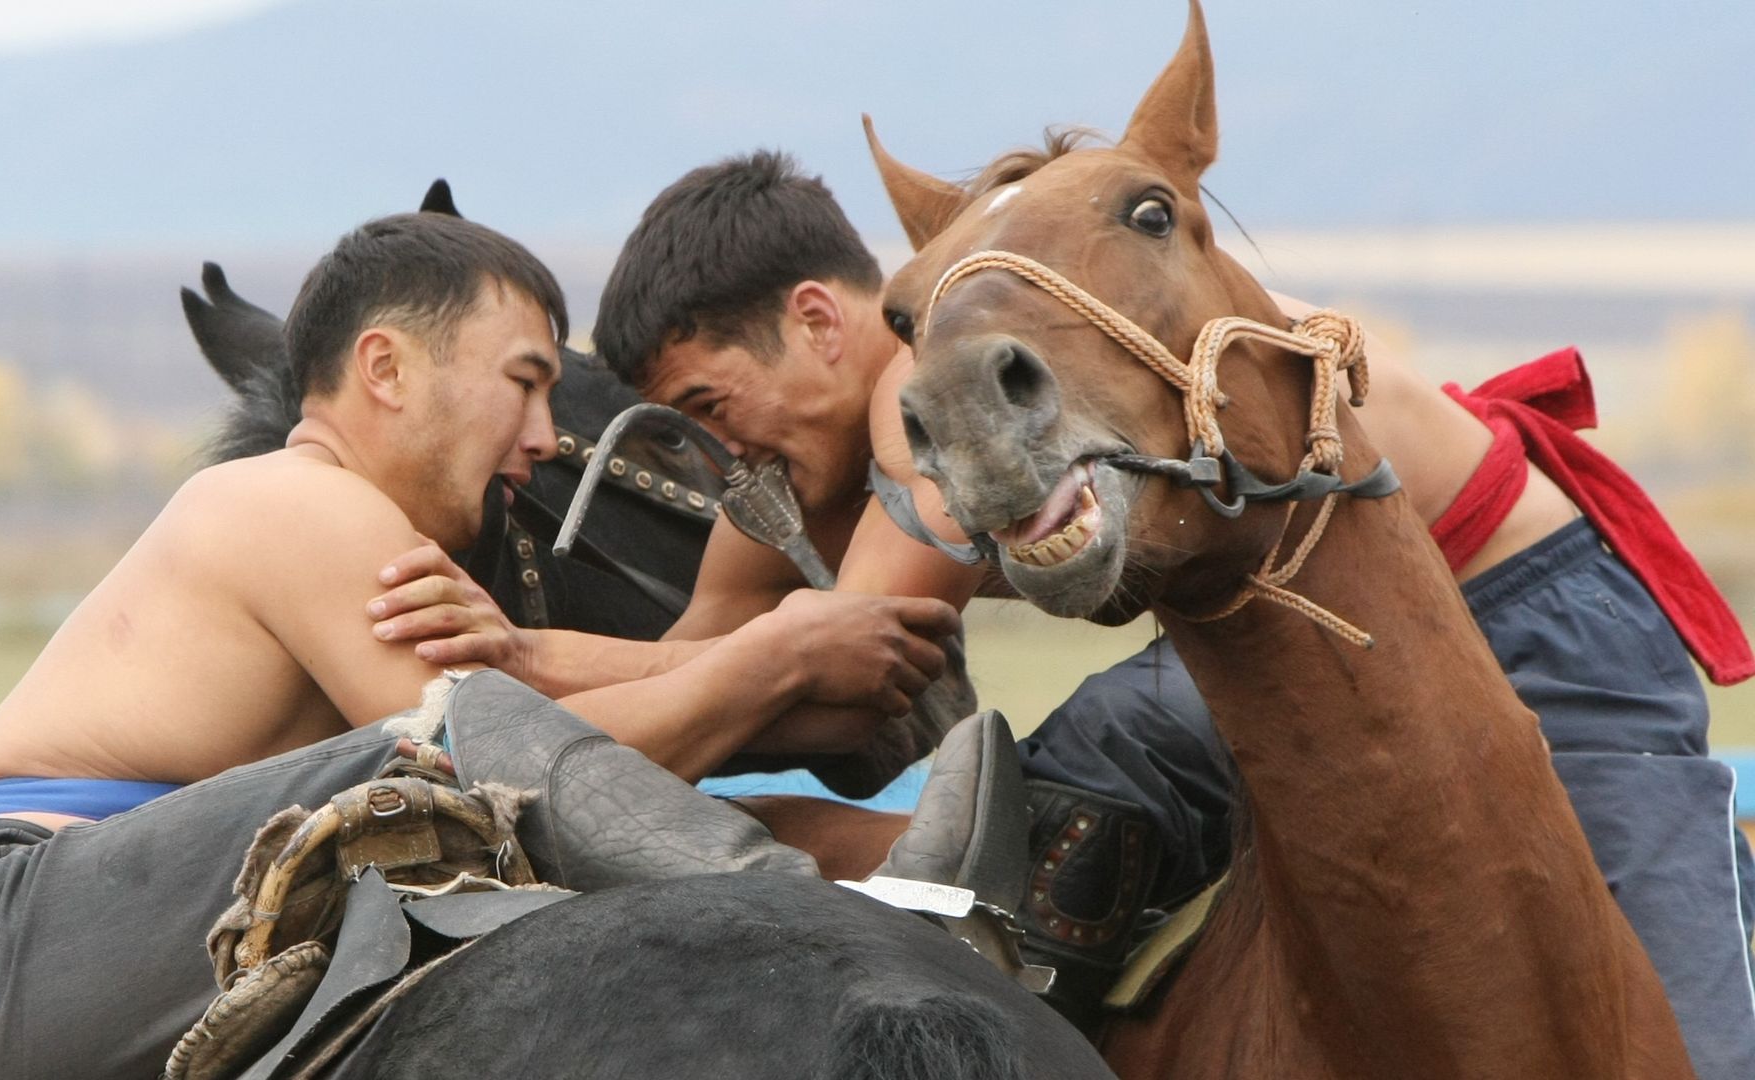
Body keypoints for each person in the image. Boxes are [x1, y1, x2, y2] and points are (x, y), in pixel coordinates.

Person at [376, 149, 1755, 1076]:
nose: (721, 456)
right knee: (1089, 774)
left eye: (711, 410)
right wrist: (513, 673)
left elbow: (840, 674)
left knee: (1698, 1044)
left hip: (1524, 609)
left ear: (819, 322)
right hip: (1268, 636)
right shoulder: (798, 462)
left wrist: (518, 666)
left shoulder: (932, 393)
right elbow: (710, 658)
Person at [0, 211, 964, 1079]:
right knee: (424, 779)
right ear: (385, 369)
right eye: (523, 383)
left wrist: (781, 680)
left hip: (55, 951)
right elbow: (504, 771)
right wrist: (770, 661)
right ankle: (807, 902)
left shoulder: (345, 536)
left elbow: (577, 750)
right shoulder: (296, 500)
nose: (543, 437)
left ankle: (921, 879)